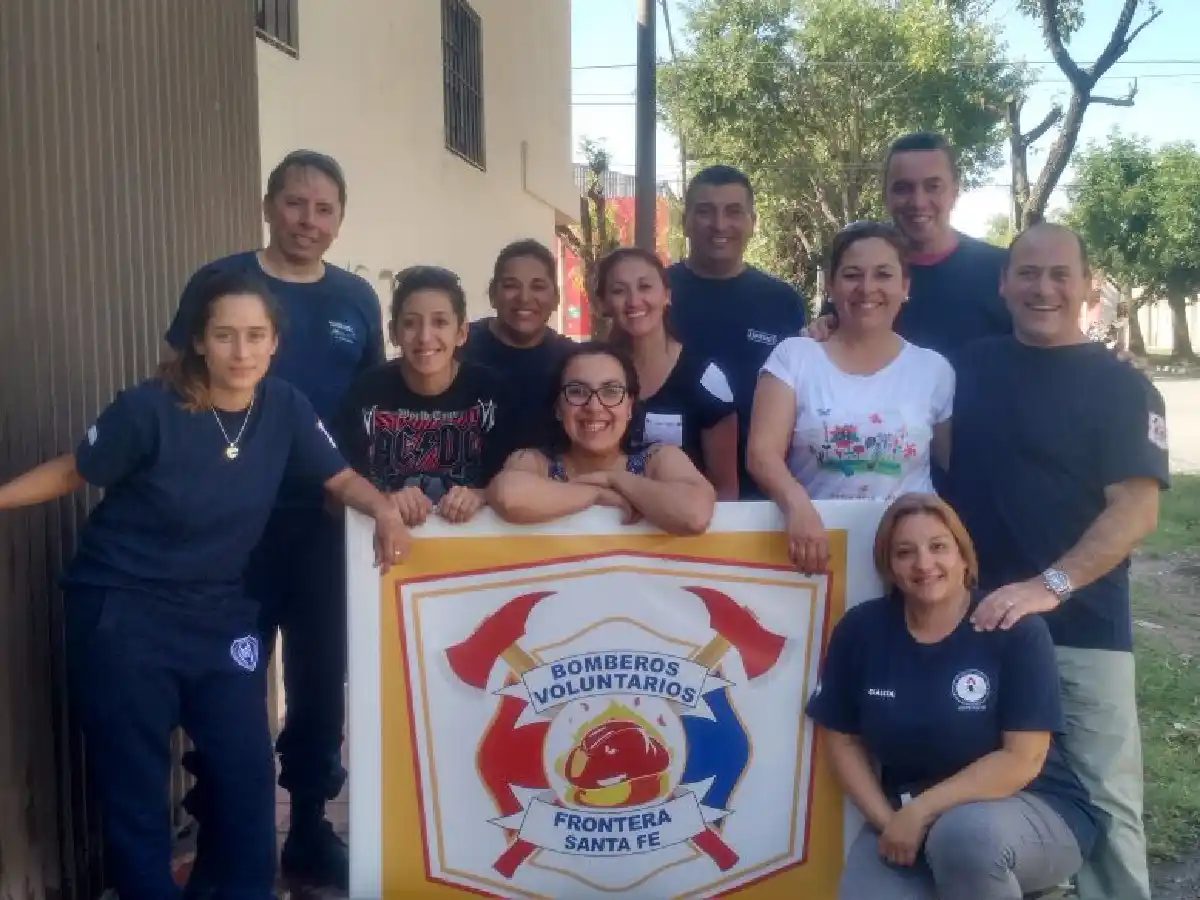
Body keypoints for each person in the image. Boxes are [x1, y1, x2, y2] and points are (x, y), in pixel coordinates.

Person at [0, 272, 409, 900]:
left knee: (245, 773)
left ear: (275, 343)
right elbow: (74, 471)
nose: (240, 352)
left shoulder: (285, 406)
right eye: (224, 336)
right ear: (199, 341)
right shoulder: (148, 408)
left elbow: (339, 477)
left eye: (254, 336)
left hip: (217, 611)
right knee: (134, 782)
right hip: (124, 609)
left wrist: (381, 508)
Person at [166, 150, 384, 890]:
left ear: (340, 218)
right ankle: (226, 825)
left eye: (325, 209)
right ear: (268, 205)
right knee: (229, 675)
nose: (308, 221)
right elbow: (174, 387)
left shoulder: (356, 300)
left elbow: (369, 409)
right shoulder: (222, 284)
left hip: (323, 528)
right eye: (295, 204)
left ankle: (312, 826)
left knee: (321, 680)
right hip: (232, 531)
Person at [948, 223, 1168, 900]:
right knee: (993, 803)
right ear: (1004, 284)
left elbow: (1135, 510)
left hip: (1084, 630)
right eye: (1028, 273)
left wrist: (1052, 585)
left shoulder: (1124, 389)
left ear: (1086, 286)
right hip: (981, 633)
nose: (1043, 288)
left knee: (1108, 805)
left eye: (1059, 274)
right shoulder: (970, 367)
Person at [807, 493, 1102, 900]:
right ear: (889, 567)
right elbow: (840, 737)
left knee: (965, 838)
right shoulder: (862, 629)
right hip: (908, 812)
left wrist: (922, 811)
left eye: (938, 547)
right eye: (904, 552)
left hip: (1030, 806)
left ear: (964, 557)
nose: (924, 564)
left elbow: (1023, 758)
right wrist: (889, 821)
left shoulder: (1012, 627)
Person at [747, 222, 954, 575]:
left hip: (910, 563)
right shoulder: (794, 357)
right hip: (817, 549)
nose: (867, 288)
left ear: (905, 286)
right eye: (852, 275)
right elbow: (761, 454)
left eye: (884, 275)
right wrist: (797, 506)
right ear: (831, 284)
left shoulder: (934, 369)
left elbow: (951, 466)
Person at [334, 266, 523, 523]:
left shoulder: (492, 393)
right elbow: (335, 490)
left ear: (461, 332)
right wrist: (382, 500)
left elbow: (522, 482)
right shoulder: (366, 393)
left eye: (440, 322)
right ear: (393, 333)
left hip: (475, 551)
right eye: (411, 323)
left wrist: (482, 495)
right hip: (384, 550)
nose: (424, 337)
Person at [666, 165, 808, 498]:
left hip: (761, 493)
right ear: (685, 221)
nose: (719, 225)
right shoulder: (655, 293)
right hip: (666, 490)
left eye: (733, 212)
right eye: (705, 212)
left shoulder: (782, 302)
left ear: (752, 222)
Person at [808, 132, 1011, 355]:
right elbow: (829, 343)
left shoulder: (1000, 271)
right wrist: (820, 331)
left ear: (955, 190)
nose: (918, 202)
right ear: (885, 194)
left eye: (933, 186)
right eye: (903, 188)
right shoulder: (860, 275)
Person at [487, 342, 716, 535]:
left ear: (629, 406)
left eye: (611, 391)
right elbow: (510, 497)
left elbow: (693, 515)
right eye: (577, 391)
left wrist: (613, 479)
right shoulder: (534, 461)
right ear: (558, 407)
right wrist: (596, 493)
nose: (594, 407)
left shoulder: (657, 458)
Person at [595, 246, 738, 499]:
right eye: (619, 291)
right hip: (606, 525)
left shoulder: (706, 378)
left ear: (667, 295)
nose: (634, 301)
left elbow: (725, 489)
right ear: (604, 303)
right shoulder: (590, 374)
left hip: (681, 530)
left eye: (645, 287)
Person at [461, 238, 574, 442]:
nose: (524, 298)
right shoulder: (458, 347)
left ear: (556, 298)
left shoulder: (571, 361)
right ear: (493, 294)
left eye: (538, 286)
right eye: (511, 286)